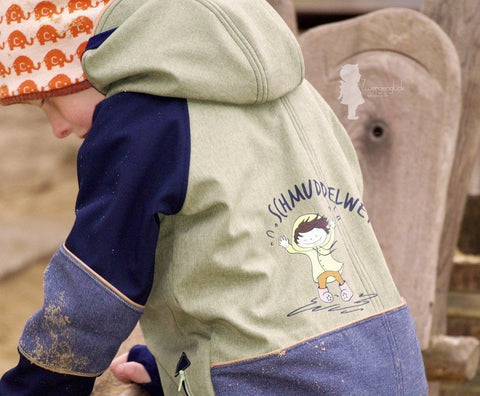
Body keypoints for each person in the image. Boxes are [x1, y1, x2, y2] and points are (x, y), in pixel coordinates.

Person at [0, 0, 428, 395]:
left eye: (49, 101)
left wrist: (30, 388)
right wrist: (178, 364)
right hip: (389, 359)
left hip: (275, 378)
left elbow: (92, 297)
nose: (56, 129)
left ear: (98, 59)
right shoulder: (299, 95)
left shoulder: (140, 122)